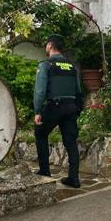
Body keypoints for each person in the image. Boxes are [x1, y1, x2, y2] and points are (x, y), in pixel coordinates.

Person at [33, 34, 83, 188]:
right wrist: (78, 108)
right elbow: (78, 89)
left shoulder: (45, 65)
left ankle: (45, 171)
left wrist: (37, 111)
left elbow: (40, 91)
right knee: (71, 142)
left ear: (49, 46)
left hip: (54, 106)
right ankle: (73, 178)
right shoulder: (71, 66)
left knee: (40, 133)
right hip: (71, 107)